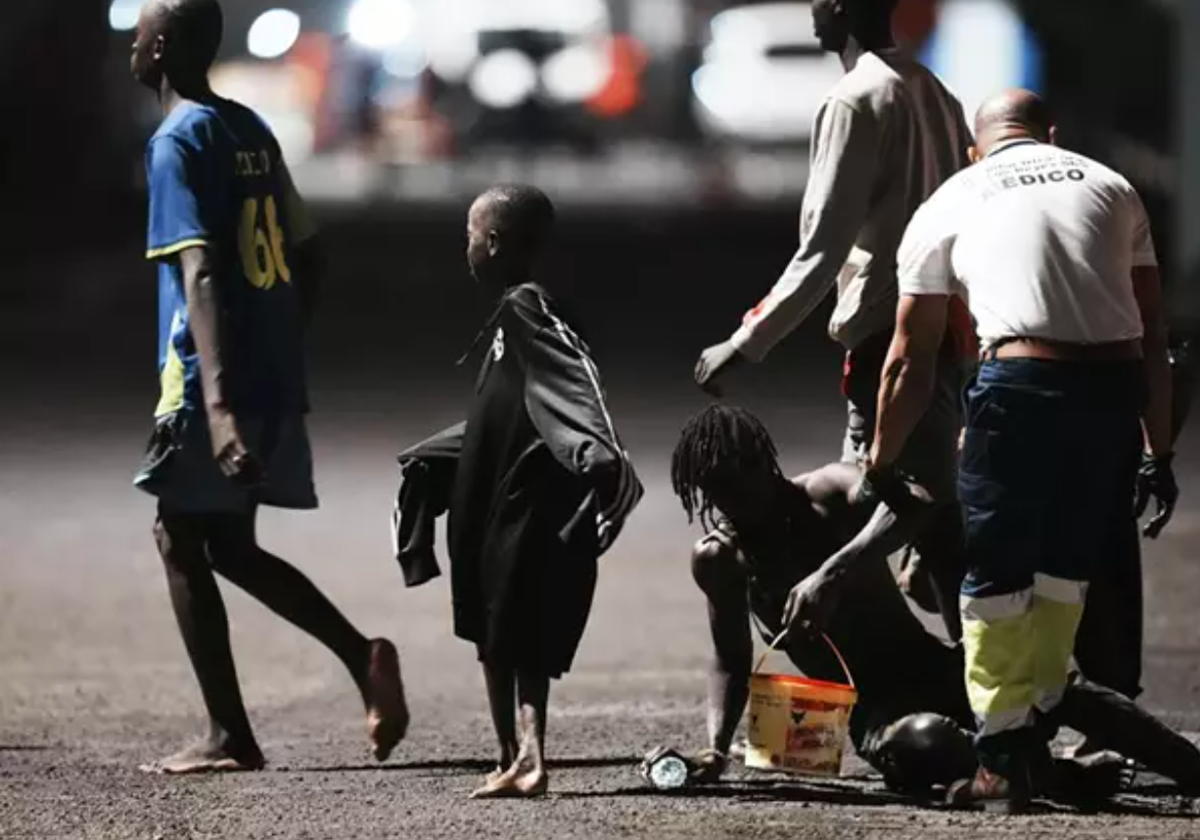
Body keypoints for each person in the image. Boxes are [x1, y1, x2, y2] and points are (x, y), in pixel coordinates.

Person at [865, 89, 1178, 811]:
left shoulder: (952, 198)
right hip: (1112, 390)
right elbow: (1153, 331)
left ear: (977, 147)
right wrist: (1158, 452)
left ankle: (1004, 762)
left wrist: (881, 461)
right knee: (1066, 569)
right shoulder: (1110, 183)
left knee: (995, 579)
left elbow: (909, 358)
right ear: (1049, 135)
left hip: (1021, 385)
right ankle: (1037, 730)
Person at [129, 0, 408, 774]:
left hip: (208, 376)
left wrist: (216, 409)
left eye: (141, 29)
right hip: (267, 366)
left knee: (181, 538)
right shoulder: (248, 127)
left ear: (165, 45)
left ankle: (230, 736)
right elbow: (308, 253)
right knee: (226, 543)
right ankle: (363, 656)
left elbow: (202, 271)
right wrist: (280, 340)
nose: (131, 39)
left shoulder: (175, 143)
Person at [669, 404, 1200, 800]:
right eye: (718, 492)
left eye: (742, 482)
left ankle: (1188, 765)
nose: (734, 503)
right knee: (917, 743)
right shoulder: (721, 558)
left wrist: (834, 570)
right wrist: (717, 749)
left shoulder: (828, 495)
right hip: (875, 711)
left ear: (767, 463)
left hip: (934, 666)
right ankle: (1061, 779)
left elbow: (918, 501)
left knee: (1057, 687)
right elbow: (730, 660)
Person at [691, 0, 974, 639]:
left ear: (843, 9)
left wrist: (744, 341)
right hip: (944, 319)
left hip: (890, 328)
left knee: (918, 510)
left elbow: (822, 247)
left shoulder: (853, 100)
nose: (811, 11)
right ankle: (917, 676)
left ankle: (979, 702)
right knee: (890, 509)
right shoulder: (936, 91)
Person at [422, 184, 642, 798]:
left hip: (523, 493)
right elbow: (509, 406)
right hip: (484, 492)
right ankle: (507, 756)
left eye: (469, 235)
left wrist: (606, 455)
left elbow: (576, 374)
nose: (464, 247)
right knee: (491, 629)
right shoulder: (505, 315)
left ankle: (531, 756)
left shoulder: (528, 306)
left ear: (493, 242)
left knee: (518, 629)